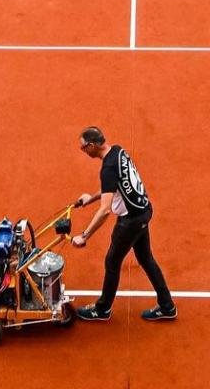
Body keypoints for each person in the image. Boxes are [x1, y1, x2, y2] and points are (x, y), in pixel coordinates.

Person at [71, 126, 176, 323]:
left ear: (92, 146)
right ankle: (167, 305)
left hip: (131, 222)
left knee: (112, 262)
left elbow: (105, 210)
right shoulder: (118, 151)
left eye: (83, 147)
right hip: (143, 212)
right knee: (146, 259)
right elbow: (112, 187)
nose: (83, 151)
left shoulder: (107, 169)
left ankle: (102, 309)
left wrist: (84, 236)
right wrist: (90, 198)